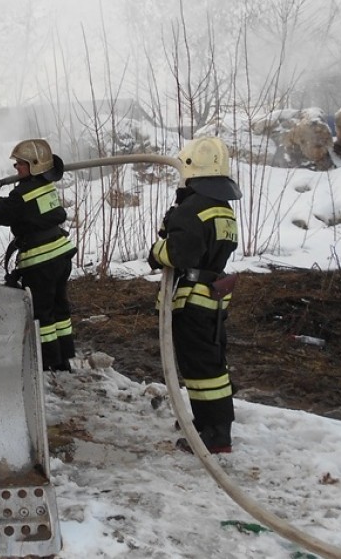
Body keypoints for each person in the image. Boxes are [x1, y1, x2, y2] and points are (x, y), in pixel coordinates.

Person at [147, 136, 241, 454]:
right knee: (212, 365)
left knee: (201, 371)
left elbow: (180, 254)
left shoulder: (192, 209)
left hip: (192, 301)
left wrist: (157, 251)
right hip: (212, 298)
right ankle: (209, 423)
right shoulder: (223, 209)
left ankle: (214, 434)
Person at [0, 138, 77, 372]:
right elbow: (22, 209)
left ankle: (47, 360)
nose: (16, 168)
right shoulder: (45, 187)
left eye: (20, 164)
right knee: (59, 308)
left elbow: (1, 214)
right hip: (60, 256)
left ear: (33, 166)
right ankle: (63, 357)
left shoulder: (23, 193)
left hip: (41, 261)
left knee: (42, 313)